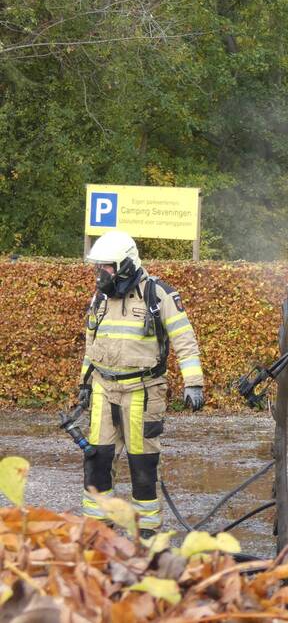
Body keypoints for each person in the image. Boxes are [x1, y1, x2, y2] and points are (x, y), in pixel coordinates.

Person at [77, 230, 205, 536]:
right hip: (102, 389)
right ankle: (97, 531)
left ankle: (147, 535)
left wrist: (194, 382)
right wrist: (84, 382)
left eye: (106, 266)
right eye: (99, 267)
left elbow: (184, 339)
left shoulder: (158, 295)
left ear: (124, 265)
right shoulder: (101, 298)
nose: (100, 273)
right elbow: (91, 343)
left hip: (142, 392)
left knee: (143, 466)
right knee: (97, 461)